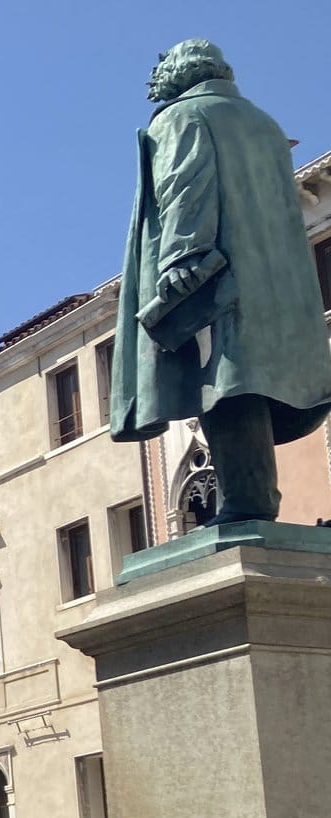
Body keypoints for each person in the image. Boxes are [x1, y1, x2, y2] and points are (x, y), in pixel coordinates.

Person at [108, 40, 331, 522]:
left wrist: (180, 261)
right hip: (277, 284)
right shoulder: (266, 126)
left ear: (180, 72)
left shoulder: (181, 118)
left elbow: (184, 189)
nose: (156, 77)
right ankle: (252, 499)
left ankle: (247, 502)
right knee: (244, 382)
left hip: (216, 279)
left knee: (221, 383)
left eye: (162, 65)